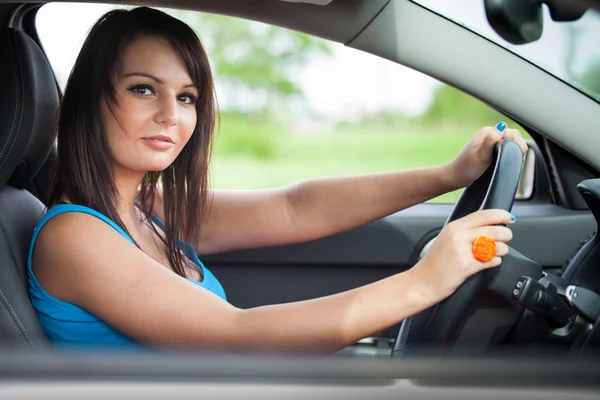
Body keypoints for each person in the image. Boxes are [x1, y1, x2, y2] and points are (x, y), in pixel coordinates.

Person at [28, 6, 528, 351]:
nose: (171, 115)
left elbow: (295, 209)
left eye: (187, 97)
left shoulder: (145, 207)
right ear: (88, 102)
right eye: (143, 89)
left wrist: (449, 174)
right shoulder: (76, 235)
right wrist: (424, 282)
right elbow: (236, 336)